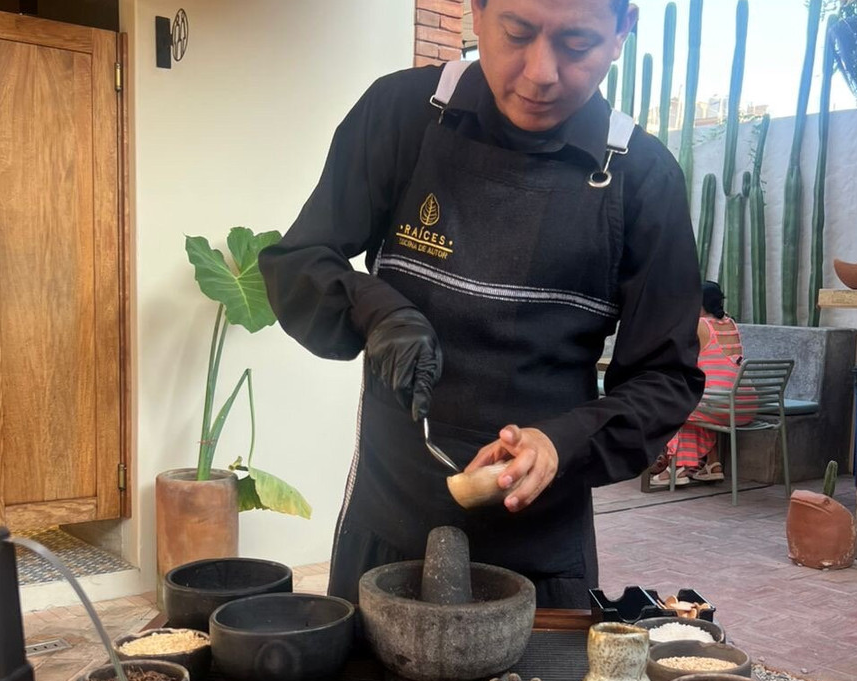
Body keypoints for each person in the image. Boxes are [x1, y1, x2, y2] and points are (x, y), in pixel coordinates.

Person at [259, 0, 704, 609]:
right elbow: (299, 261)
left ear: (623, 31)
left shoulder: (643, 177)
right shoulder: (404, 113)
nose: (541, 73)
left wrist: (560, 443)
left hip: (543, 557)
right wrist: (374, 308)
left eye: (577, 45)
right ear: (476, 10)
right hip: (386, 528)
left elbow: (666, 376)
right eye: (517, 32)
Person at [649, 281, 745, 488]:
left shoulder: (701, 325)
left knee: (672, 404)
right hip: (743, 405)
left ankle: (676, 467)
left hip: (720, 404)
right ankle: (712, 464)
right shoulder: (731, 323)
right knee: (694, 404)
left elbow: (678, 357)